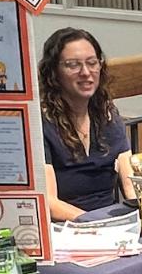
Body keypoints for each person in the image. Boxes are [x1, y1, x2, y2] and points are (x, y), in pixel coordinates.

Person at [38, 27, 136, 221]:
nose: (85, 72)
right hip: (65, 227)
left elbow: (129, 183)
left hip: (109, 220)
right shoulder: (42, 122)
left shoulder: (107, 113)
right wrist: (96, 225)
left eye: (92, 63)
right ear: (54, 72)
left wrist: (141, 213)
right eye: (72, 65)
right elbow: (49, 203)